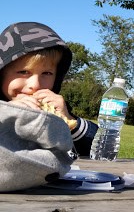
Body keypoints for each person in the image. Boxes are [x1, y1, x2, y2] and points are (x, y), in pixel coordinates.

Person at [0, 21, 98, 156]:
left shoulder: (54, 112)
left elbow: (98, 149)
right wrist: (6, 113)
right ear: (2, 74)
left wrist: (68, 121)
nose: (35, 85)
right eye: (23, 72)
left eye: (46, 73)